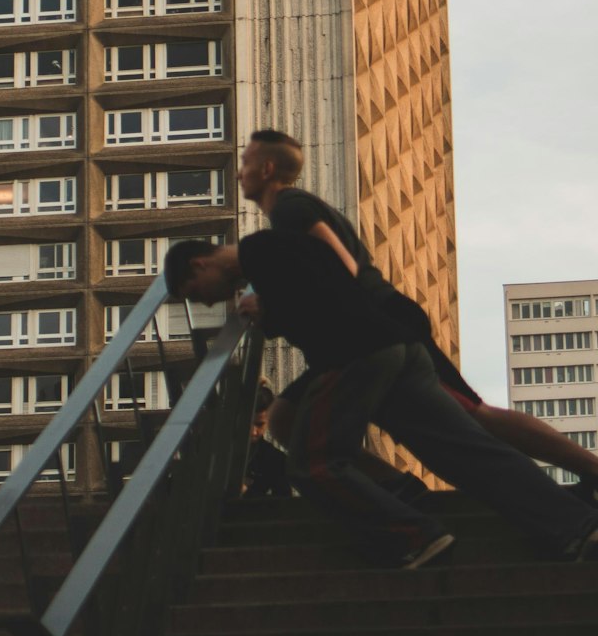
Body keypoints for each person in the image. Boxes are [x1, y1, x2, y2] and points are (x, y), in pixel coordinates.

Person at [164, 234, 598, 571]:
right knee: (468, 453)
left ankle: (413, 536)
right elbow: (329, 286)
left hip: (356, 355)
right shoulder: (281, 252)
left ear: (199, 263)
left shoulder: (260, 251)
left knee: (313, 462)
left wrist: (266, 309)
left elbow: (314, 300)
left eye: (194, 289)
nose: (206, 300)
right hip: (399, 349)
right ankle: (573, 528)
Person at [239, 128, 598, 503]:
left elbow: (340, 265)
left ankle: (591, 470)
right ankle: (397, 486)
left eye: (245, 162)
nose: (239, 171)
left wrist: (269, 302)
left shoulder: (289, 207)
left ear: (266, 169)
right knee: (285, 417)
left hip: (381, 326)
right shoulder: (291, 208)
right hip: (355, 338)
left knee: (476, 415)